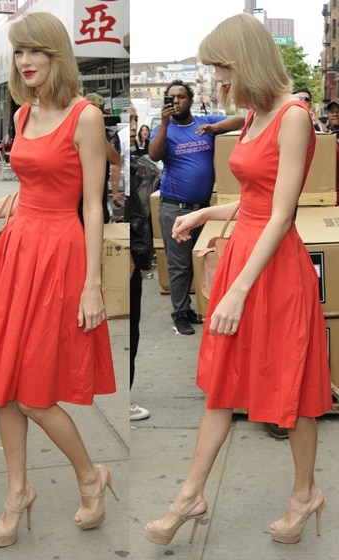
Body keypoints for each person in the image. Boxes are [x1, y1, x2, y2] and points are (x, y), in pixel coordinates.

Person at [144, 13, 333, 547]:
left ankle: (304, 495)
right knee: (222, 383)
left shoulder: (292, 115)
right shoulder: (253, 115)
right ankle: (189, 496)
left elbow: (281, 213)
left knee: (288, 385)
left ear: (245, 60)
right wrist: (206, 215)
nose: (219, 79)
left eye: (222, 67)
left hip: (271, 269)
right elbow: (254, 199)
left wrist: (240, 289)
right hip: (245, 255)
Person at [0, 11, 118, 548]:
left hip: (59, 255)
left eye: (35, 51)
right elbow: (29, 191)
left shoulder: (85, 116)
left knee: (36, 393)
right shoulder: (22, 115)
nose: (25, 61)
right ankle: (17, 493)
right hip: (18, 252)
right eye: (19, 53)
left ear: (57, 54)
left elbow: (91, 205)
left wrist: (92, 284)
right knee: (3, 388)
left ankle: (90, 474)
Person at [149, 79, 244, 335]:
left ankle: (197, 308)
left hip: (204, 209)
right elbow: (154, 155)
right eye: (172, 98)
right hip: (174, 208)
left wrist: (215, 126)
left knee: (204, 259)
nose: (177, 101)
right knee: (179, 265)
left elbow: (240, 121)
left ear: (190, 100)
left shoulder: (204, 123)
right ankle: (180, 313)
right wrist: (165, 124)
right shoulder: (163, 128)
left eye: (181, 96)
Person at [128, 104, 156, 422]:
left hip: (133, 253)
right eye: (131, 119)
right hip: (125, 255)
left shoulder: (139, 163)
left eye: (137, 119)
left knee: (133, 328)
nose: (135, 125)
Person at [84, 92, 122, 223]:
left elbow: (115, 159)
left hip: (98, 198)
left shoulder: (109, 135)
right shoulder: (73, 131)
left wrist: (97, 131)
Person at [325, 98, 339, 205]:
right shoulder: (323, 137)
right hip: (328, 198)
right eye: (332, 112)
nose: (335, 114)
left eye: (338, 111)